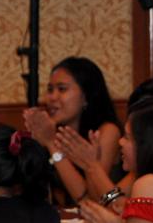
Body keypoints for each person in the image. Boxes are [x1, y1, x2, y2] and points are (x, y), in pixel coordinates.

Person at [58, 77, 153, 219]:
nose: (121, 142)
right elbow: (108, 200)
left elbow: (120, 209)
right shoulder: (143, 170)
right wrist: (91, 166)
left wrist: (92, 166)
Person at [23, 56, 121, 206]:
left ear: (86, 96)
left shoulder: (107, 132)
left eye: (62, 89)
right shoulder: (51, 131)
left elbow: (91, 200)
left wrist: (51, 144)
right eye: (50, 89)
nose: (52, 97)